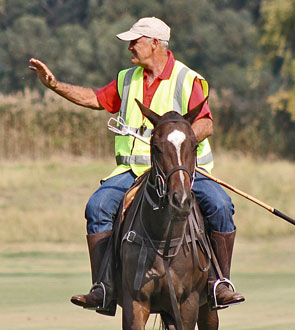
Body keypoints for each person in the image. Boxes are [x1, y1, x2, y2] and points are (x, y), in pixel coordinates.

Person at [29, 17, 245, 314]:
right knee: (98, 206)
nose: (130, 46)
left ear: (155, 43)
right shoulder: (127, 78)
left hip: (183, 172)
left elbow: (206, 122)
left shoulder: (186, 78)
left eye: (135, 41)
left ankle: (219, 283)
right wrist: (54, 85)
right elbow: (95, 98)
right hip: (132, 173)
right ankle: (103, 287)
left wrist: (173, 140)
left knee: (220, 205)